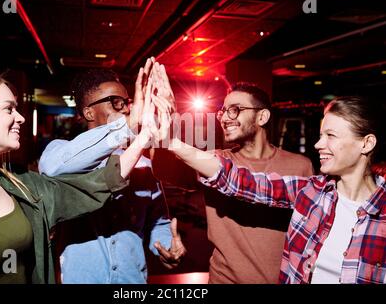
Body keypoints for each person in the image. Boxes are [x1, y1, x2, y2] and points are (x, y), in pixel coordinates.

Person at [0, 72, 159, 284]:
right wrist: (126, 128)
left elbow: (97, 184)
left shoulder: (25, 186)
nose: (21, 118)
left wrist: (142, 137)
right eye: (8, 109)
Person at [163, 95, 385, 284]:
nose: (318, 144)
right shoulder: (311, 193)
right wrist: (170, 141)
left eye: (331, 136)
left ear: (366, 144)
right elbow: (238, 179)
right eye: (320, 135)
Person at [39, 60, 186, 284]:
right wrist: (127, 126)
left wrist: (167, 247)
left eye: (127, 102)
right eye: (116, 103)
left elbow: (158, 223)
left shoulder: (143, 165)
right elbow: (51, 167)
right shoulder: (60, 153)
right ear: (89, 112)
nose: (127, 109)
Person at [153, 82, 314, 283]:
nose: (226, 118)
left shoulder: (300, 167)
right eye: (223, 111)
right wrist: (168, 119)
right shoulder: (213, 161)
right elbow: (163, 167)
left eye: (235, 110)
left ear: (262, 116)